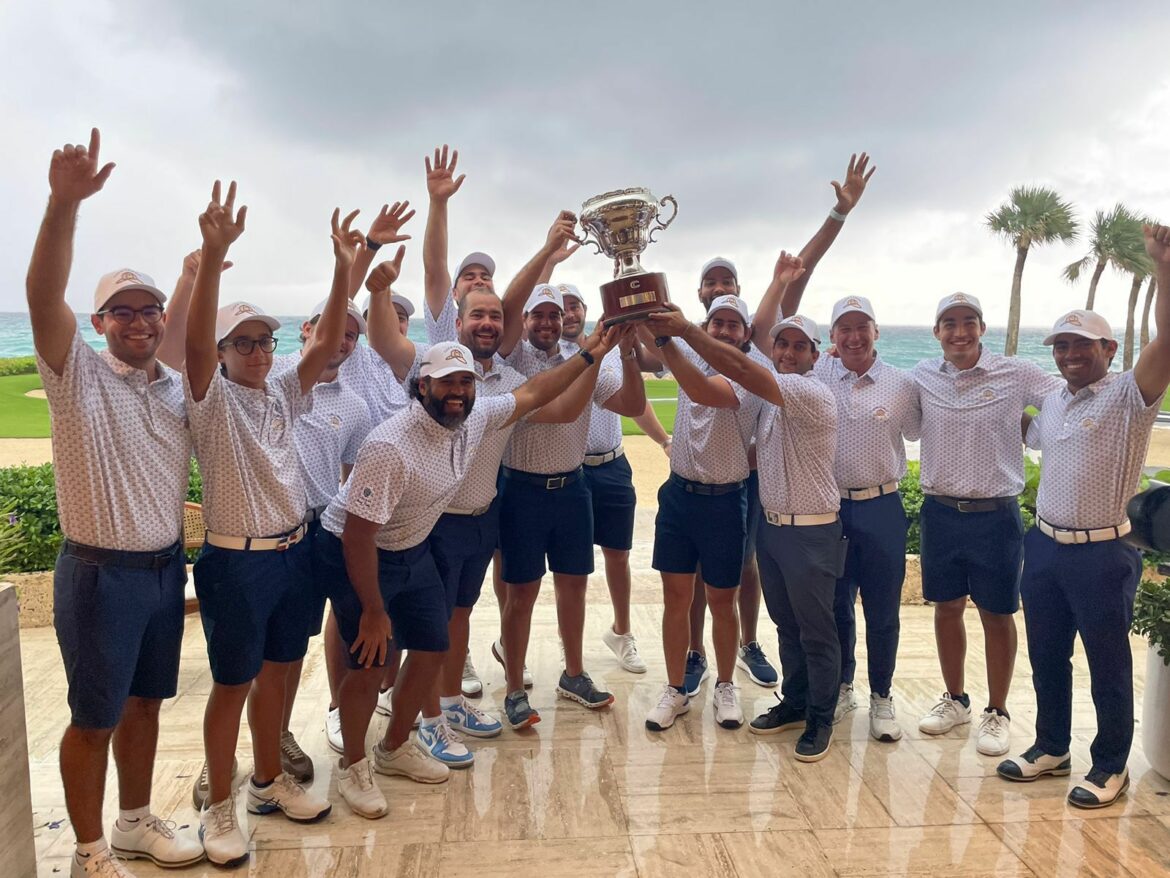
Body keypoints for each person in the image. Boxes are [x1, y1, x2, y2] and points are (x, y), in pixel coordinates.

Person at [319, 331, 623, 817]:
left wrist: (591, 353)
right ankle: (353, 767)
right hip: (356, 551)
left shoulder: (474, 416)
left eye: (465, 381)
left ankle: (394, 748)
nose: (457, 391)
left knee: (432, 648)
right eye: (446, 382)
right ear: (423, 386)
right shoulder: (390, 445)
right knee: (371, 663)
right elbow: (357, 536)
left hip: (411, 545)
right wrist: (374, 611)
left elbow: (534, 392)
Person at [27, 128, 204, 878]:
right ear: (98, 323)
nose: (138, 321)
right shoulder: (76, 375)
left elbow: (187, 334)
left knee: (145, 705)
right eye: (121, 312)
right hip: (99, 576)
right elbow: (43, 296)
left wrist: (196, 272)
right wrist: (63, 204)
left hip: (164, 573)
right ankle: (89, 849)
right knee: (93, 718)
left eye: (148, 310)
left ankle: (133, 825)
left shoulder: (174, 389)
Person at [364, 260, 609, 764]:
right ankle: (427, 721)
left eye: (496, 316)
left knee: (457, 618)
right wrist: (380, 291)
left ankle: (450, 703)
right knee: (429, 631)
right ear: (457, 322)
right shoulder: (433, 364)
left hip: (480, 517)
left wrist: (591, 355)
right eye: (477, 314)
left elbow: (558, 406)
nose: (488, 323)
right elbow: (386, 341)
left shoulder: (505, 381)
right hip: (434, 520)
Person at [184, 188, 357, 866]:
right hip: (237, 562)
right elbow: (194, 344)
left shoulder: (282, 389)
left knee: (280, 675)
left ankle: (266, 782)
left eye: (264, 341)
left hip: (294, 553)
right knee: (232, 684)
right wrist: (213, 257)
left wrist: (343, 269)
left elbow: (326, 343)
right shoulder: (209, 397)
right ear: (223, 351)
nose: (257, 353)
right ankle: (219, 807)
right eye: (243, 343)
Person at [683, 152, 875, 696]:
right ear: (701, 298)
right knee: (701, 574)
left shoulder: (762, 349)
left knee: (747, 570)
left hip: (754, 485)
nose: (719, 288)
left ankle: (750, 646)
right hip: (710, 482)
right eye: (711, 283)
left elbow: (797, 273)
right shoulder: (696, 341)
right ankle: (697, 653)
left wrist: (838, 215)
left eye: (728, 282)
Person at [997, 224, 1170, 808]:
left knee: (1107, 664)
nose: (1070, 354)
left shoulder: (1129, 397)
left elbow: (1168, 341)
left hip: (1103, 552)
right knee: (1047, 655)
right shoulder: (1054, 401)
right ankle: (1051, 747)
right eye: (1061, 346)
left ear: (1109, 350)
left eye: (1082, 345)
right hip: (1045, 547)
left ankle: (1110, 766)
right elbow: (1027, 431)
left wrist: (1163, 266)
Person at [649, 302, 844, 762]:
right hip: (773, 525)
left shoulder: (804, 390)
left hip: (811, 529)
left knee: (817, 631)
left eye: (800, 346)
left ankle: (820, 718)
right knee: (788, 626)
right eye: (783, 344)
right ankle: (795, 703)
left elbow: (731, 371)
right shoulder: (773, 399)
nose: (789, 352)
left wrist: (680, 331)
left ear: (815, 356)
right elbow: (754, 450)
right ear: (772, 348)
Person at [495, 268, 648, 729]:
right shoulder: (512, 363)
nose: (547, 322)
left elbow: (632, 405)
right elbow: (561, 412)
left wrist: (626, 353)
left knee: (574, 586)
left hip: (572, 487)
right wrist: (592, 356)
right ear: (524, 320)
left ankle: (574, 674)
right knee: (521, 593)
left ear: (563, 319)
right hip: (522, 489)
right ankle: (515, 688)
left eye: (554, 315)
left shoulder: (579, 355)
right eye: (538, 315)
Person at [912, 292, 1062, 757]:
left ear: (982, 327)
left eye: (968, 321)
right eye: (949, 323)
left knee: (998, 613)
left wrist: (1030, 426)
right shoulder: (921, 376)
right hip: (940, 512)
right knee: (946, 607)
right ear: (936, 332)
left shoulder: (1015, 373)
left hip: (996, 516)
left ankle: (997, 711)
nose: (959, 332)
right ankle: (956, 700)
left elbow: (1065, 398)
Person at [636, 295, 764, 732]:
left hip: (725, 501)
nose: (724, 330)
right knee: (675, 597)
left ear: (746, 333)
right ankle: (675, 689)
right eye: (717, 323)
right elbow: (648, 337)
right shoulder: (690, 352)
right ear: (707, 326)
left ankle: (725, 685)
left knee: (722, 600)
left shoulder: (750, 371)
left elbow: (703, 391)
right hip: (679, 495)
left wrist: (670, 339)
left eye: (733, 324)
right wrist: (634, 299)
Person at [557, 282, 649, 675]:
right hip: (571, 469)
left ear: (585, 310)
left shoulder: (608, 350)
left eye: (575, 305)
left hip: (612, 463)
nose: (569, 313)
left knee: (618, 554)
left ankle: (622, 632)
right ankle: (566, 645)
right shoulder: (552, 356)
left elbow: (635, 402)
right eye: (562, 307)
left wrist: (662, 439)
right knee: (569, 567)